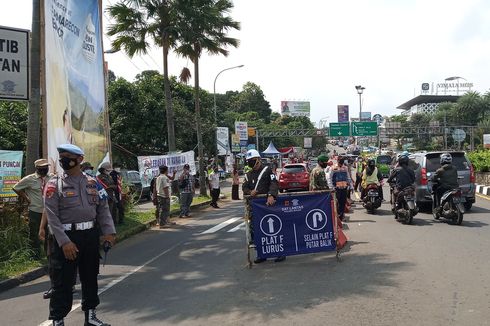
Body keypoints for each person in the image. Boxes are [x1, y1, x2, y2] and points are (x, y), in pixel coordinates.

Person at [44, 144, 115, 326]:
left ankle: (90, 317)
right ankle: (57, 320)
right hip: (67, 237)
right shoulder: (54, 183)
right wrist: (64, 242)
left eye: (68, 156)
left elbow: (103, 209)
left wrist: (108, 232)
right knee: (63, 282)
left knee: (90, 277)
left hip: (90, 235)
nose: (64, 160)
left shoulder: (93, 182)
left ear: (80, 159)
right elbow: (52, 216)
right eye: (62, 157)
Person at [242, 149, 283, 263]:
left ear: (258, 160)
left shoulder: (268, 170)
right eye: (248, 161)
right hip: (254, 208)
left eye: (252, 160)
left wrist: (271, 195)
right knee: (256, 231)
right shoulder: (248, 175)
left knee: (274, 229)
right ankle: (261, 254)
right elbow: (244, 188)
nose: (250, 163)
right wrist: (250, 192)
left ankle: (280, 253)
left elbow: (274, 183)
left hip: (267, 205)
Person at [13, 158, 51, 259]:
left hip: (49, 211)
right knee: (34, 234)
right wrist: (26, 197)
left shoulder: (51, 178)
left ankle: (49, 255)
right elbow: (16, 188)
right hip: (35, 210)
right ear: (37, 168)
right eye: (42, 168)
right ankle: (35, 256)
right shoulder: (29, 179)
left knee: (49, 233)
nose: (44, 169)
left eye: (46, 167)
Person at [330, 156, 353, 221]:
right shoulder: (333, 168)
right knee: (336, 203)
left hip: (344, 188)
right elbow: (330, 178)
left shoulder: (345, 168)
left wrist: (351, 186)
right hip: (336, 189)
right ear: (337, 161)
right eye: (340, 163)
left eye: (342, 163)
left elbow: (348, 178)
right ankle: (337, 215)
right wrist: (331, 187)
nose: (341, 164)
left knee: (343, 203)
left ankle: (341, 216)